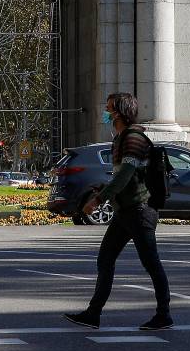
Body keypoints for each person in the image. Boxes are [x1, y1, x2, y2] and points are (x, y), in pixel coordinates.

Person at [64, 93, 171, 331]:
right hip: (126, 212)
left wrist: (99, 199)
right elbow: (124, 175)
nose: (105, 112)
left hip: (139, 211)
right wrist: (104, 189)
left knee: (151, 263)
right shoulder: (122, 138)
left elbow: (125, 176)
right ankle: (93, 314)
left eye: (109, 108)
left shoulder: (133, 138)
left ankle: (164, 315)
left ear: (119, 113)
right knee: (106, 259)